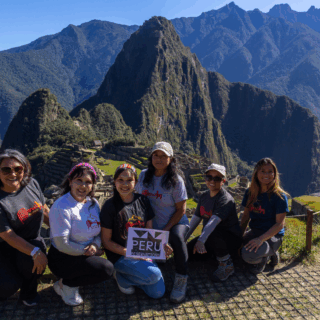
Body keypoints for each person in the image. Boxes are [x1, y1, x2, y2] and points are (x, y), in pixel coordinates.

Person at [101, 163, 171, 299]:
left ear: (136, 182)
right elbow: (106, 241)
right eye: (121, 180)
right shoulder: (109, 206)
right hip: (120, 256)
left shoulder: (143, 201)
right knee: (155, 275)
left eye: (129, 180)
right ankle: (121, 274)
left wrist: (160, 246)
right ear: (115, 181)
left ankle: (125, 277)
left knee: (157, 293)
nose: (125, 184)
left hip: (141, 251)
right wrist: (130, 254)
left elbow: (149, 232)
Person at [48, 163, 113, 306]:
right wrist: (89, 253)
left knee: (106, 269)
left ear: (92, 186)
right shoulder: (62, 206)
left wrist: (95, 245)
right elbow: (62, 244)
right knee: (105, 269)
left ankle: (66, 283)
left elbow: (98, 230)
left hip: (84, 253)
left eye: (88, 182)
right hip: (62, 257)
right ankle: (67, 286)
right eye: (79, 180)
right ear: (70, 181)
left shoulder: (93, 203)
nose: (83, 186)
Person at [135, 142, 189, 303]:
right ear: (151, 157)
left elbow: (181, 210)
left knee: (176, 238)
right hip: (151, 224)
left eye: (163, 156)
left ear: (171, 159)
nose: (159, 159)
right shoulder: (144, 175)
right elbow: (138, 200)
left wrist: (165, 231)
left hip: (175, 222)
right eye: (156, 155)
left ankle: (181, 279)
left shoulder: (176, 180)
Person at [0, 149, 49, 306]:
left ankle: (28, 293)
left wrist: (61, 232)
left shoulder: (31, 184)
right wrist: (35, 253)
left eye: (17, 169)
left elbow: (44, 209)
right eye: (6, 169)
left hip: (32, 240)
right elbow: (8, 235)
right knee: (7, 287)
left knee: (35, 257)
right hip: (5, 247)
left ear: (24, 169)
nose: (12, 174)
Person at [186, 164, 242, 282]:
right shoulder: (204, 196)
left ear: (223, 181)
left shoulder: (225, 200)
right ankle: (214, 258)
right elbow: (196, 218)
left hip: (229, 240)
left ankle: (227, 264)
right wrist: (183, 239)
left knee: (212, 231)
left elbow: (213, 222)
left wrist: (201, 241)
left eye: (217, 178)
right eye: (209, 177)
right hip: (211, 238)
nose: (212, 181)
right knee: (187, 253)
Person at [240, 158, 289, 274]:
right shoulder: (250, 193)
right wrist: (239, 236)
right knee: (235, 249)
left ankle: (266, 257)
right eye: (263, 171)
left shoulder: (279, 197)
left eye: (270, 171)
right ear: (256, 173)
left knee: (248, 255)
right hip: (256, 231)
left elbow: (279, 224)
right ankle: (269, 253)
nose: (266, 174)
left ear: (274, 174)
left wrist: (260, 239)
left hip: (273, 235)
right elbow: (246, 216)